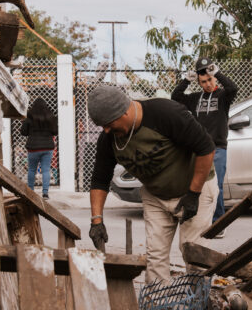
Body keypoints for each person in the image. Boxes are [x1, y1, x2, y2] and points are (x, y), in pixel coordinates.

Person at [87, 84, 217, 283]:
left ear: (124, 111)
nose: (105, 130)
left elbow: (206, 147)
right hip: (155, 195)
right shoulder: (109, 138)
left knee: (194, 254)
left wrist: (193, 194)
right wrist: (96, 220)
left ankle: (198, 306)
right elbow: (99, 178)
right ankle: (159, 308)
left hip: (194, 189)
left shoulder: (165, 113)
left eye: (108, 123)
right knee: (155, 259)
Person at [171, 57, 238, 227]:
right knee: (197, 185)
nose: (207, 84)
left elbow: (233, 88)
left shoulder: (223, 96)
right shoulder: (195, 98)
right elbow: (175, 96)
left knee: (217, 187)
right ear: (199, 83)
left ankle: (218, 223)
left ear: (214, 78)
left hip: (218, 148)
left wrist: (218, 73)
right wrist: (186, 80)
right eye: (203, 81)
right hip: (199, 149)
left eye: (210, 79)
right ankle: (201, 220)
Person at [20, 98, 58, 199]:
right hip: (47, 148)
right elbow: (55, 132)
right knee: (46, 170)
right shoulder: (50, 116)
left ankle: (31, 192)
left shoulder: (29, 116)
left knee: (32, 170)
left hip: (33, 147)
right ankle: (45, 193)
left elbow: (23, 132)